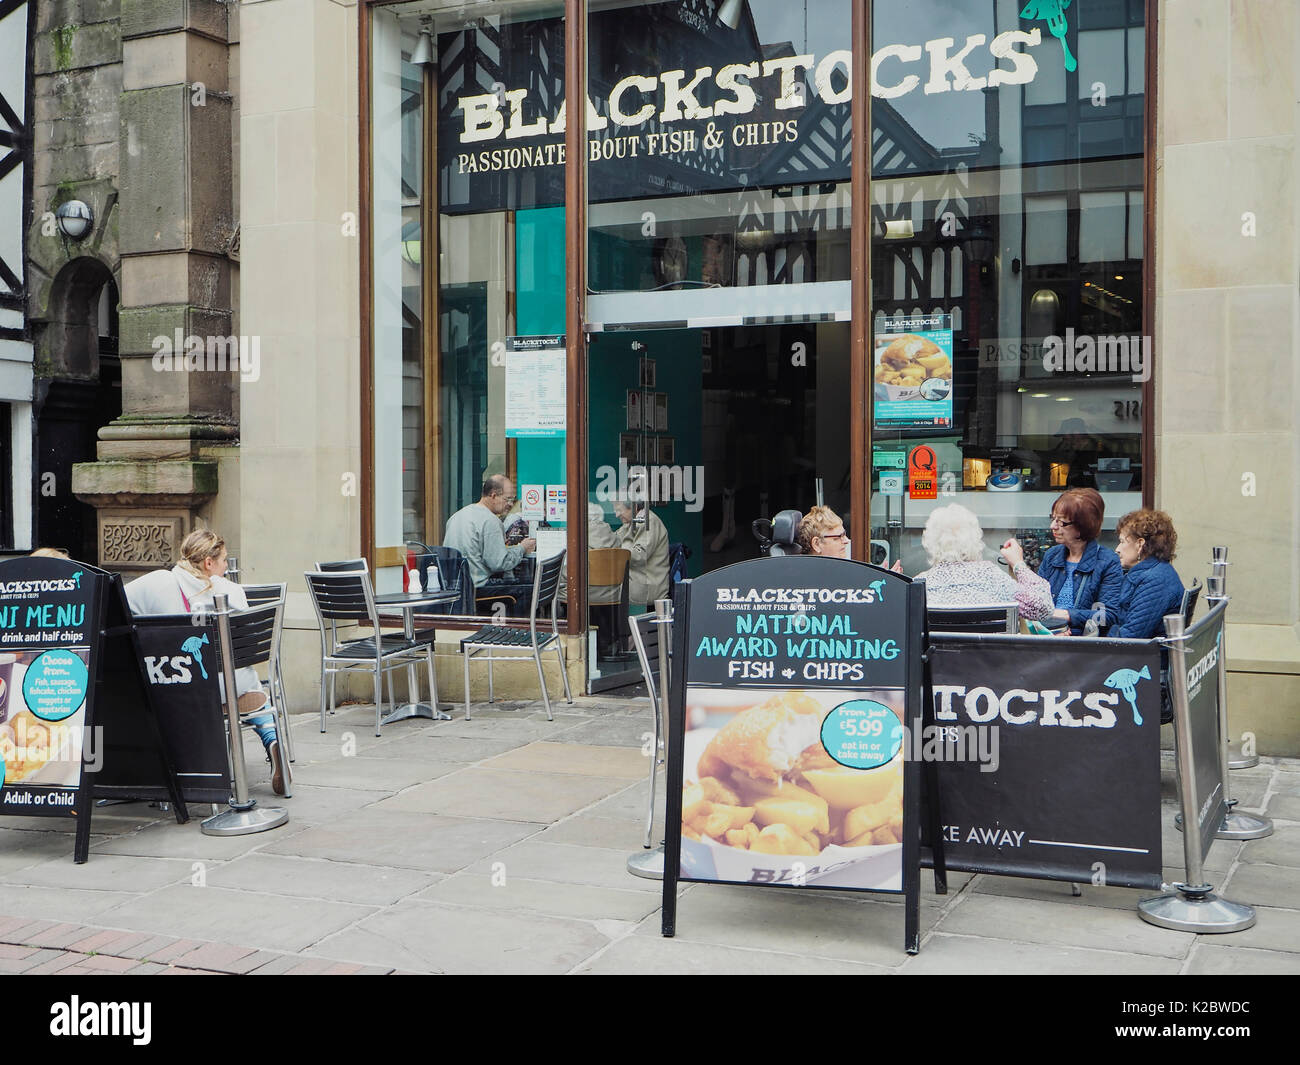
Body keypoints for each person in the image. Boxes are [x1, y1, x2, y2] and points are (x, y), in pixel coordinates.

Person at [124, 529, 286, 795]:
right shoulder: (231, 591)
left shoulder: (156, 582)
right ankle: (271, 739)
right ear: (209, 563)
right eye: (224, 561)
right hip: (227, 685)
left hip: (173, 686)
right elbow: (248, 645)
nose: (225, 567)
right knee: (251, 686)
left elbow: (116, 602)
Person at [1004, 488, 1123, 634]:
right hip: (1046, 638)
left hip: (1083, 647)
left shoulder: (1108, 561)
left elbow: (1107, 616)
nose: (1053, 526)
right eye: (1053, 518)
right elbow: (1035, 601)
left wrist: (1064, 617)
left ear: (1082, 526)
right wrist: (1052, 628)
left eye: (1061, 522)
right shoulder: (1052, 555)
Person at [912, 504, 1053, 619]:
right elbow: (1044, 608)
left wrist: (891, 583)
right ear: (976, 539)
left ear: (929, 543)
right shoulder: (994, 578)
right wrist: (1018, 564)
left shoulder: (918, 585)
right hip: (986, 654)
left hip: (936, 654)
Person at [444, 475, 537, 612]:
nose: (511, 504)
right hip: (477, 588)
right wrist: (522, 548)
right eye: (508, 499)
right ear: (493, 495)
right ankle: (519, 631)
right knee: (529, 589)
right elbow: (499, 563)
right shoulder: (490, 521)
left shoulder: (457, 515)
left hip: (455, 587)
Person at [1111, 509, 1184, 639]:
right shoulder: (1155, 571)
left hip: (1143, 657)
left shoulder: (1155, 580)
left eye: (1122, 542)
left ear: (1140, 544)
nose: (1117, 549)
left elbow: (1130, 637)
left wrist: (1100, 632)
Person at [614, 498, 669, 607]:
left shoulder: (648, 521)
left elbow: (637, 557)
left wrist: (627, 537)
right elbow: (613, 540)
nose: (616, 515)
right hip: (635, 583)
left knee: (599, 592)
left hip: (647, 588)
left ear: (634, 508)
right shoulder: (630, 522)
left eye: (620, 510)